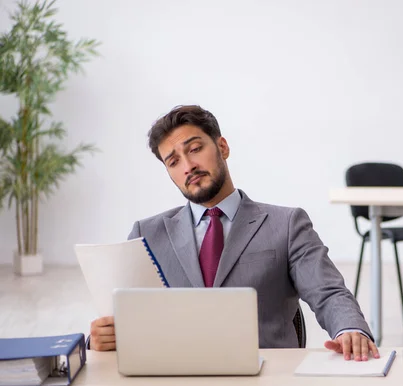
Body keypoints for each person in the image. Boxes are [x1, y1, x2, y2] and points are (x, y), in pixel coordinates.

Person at [89, 105, 379, 361]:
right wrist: (100, 340)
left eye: (194, 149)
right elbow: (123, 317)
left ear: (222, 147)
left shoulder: (287, 224)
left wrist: (349, 329)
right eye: (173, 161)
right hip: (176, 383)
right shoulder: (147, 234)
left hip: (268, 383)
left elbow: (328, 292)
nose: (188, 166)